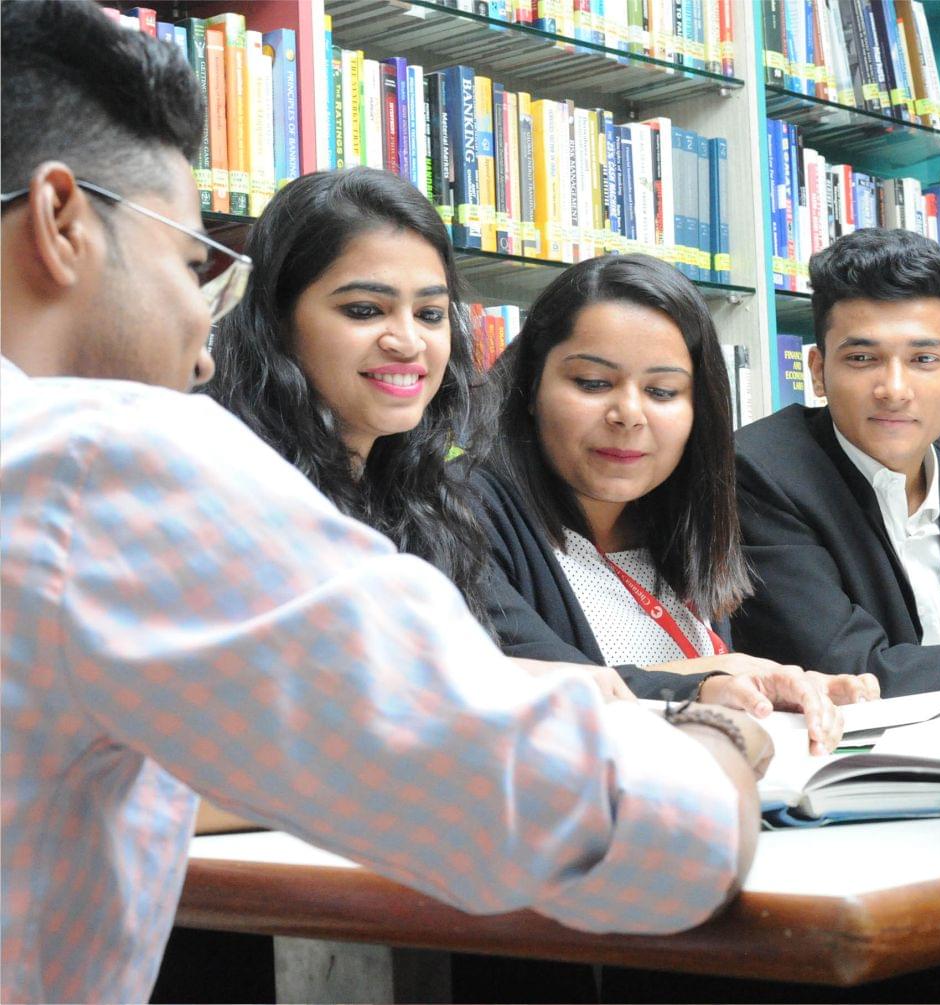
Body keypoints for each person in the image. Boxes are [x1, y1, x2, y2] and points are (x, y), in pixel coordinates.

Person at [0, 4, 771, 1002]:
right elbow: (630, 833)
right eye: (195, 263)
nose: (201, 331)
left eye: (430, 312)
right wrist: (724, 743)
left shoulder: (424, 494)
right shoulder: (98, 462)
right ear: (62, 220)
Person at [207, 167, 638, 707]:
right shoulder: (230, 488)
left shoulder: (427, 496)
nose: (409, 341)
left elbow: (526, 662)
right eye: (365, 310)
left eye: (431, 313)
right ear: (274, 318)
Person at [457, 253, 880, 754]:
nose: (629, 414)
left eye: (662, 391)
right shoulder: (461, 510)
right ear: (531, 387)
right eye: (592, 383)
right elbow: (543, 683)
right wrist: (711, 677)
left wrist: (784, 695)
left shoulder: (683, 520)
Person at [731, 228, 940, 696]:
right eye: (863, 358)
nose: (894, 389)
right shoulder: (758, 472)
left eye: (924, 359)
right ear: (818, 372)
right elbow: (851, 672)